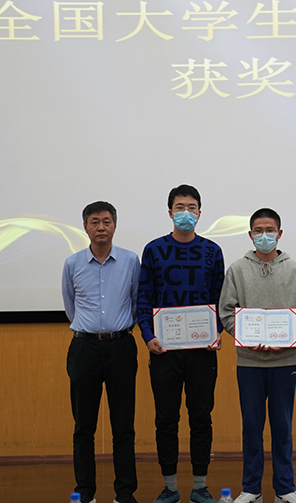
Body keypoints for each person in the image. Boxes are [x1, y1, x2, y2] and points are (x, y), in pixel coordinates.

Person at [219, 208, 296, 503]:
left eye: (270, 230)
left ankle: (285, 489)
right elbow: (226, 312)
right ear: (250, 235)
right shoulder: (237, 270)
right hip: (249, 362)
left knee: (282, 427)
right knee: (251, 427)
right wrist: (247, 338)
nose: (264, 235)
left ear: (280, 233)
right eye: (258, 231)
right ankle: (251, 489)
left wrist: (289, 340)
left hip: (284, 362)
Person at [137, 185, 225, 503]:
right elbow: (144, 297)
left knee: (201, 418)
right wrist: (148, 335)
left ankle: (200, 485)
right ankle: (170, 487)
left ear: (200, 213)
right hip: (164, 350)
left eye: (191, 207)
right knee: (166, 420)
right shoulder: (154, 250)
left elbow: (220, 299)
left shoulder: (212, 251)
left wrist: (217, 332)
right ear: (170, 212)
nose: (185, 213)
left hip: (202, 351)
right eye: (179, 207)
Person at [62, 201, 141, 503]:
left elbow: (136, 301)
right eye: (94, 222)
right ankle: (85, 492)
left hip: (121, 346)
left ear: (115, 225)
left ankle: (125, 492)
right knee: (84, 426)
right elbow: (71, 306)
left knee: (123, 426)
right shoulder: (72, 264)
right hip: (84, 348)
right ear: (85, 227)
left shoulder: (131, 261)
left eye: (106, 221)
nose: (101, 227)